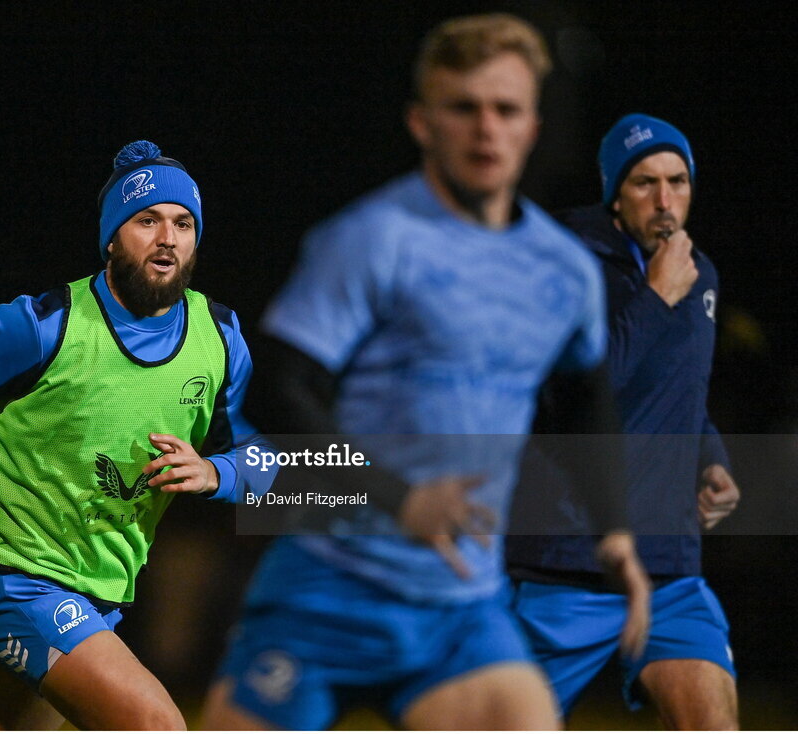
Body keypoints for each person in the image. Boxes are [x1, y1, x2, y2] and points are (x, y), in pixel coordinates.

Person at [202, 15, 650, 731]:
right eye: (462, 107)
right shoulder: (371, 240)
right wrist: (399, 498)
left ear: (531, 125)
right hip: (327, 589)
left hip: (460, 608)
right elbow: (279, 394)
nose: (486, 129)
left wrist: (616, 534)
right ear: (422, 122)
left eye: (505, 110)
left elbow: (584, 395)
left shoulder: (564, 271)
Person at [0, 140, 259, 730]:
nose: (168, 237)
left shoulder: (219, 340)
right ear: (113, 238)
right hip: (18, 582)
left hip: (103, 591)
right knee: (155, 725)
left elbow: (258, 458)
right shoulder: (43, 326)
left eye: (183, 223)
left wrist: (219, 472)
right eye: (147, 220)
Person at [506, 114, 741, 729]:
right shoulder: (564, 264)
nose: (666, 201)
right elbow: (572, 392)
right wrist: (654, 300)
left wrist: (710, 458)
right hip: (568, 564)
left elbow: (682, 390)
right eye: (644, 183)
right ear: (614, 191)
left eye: (679, 181)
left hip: (669, 570)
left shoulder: (698, 274)